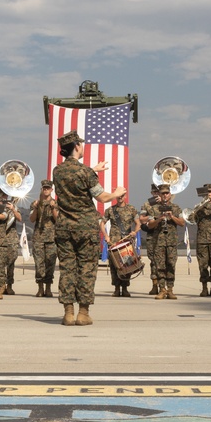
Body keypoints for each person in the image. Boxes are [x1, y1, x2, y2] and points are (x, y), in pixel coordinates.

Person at [53, 130, 127, 325]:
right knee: (86, 269)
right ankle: (83, 313)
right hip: (85, 228)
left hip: (64, 228)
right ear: (77, 146)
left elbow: (76, 177)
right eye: (81, 144)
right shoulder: (85, 172)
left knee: (67, 269)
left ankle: (68, 313)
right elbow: (102, 197)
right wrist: (117, 193)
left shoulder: (57, 171)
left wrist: (94, 170)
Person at [143, 184, 185, 299]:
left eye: (167, 193)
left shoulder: (176, 208)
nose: (165, 195)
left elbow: (182, 223)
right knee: (159, 265)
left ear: (170, 195)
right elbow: (150, 225)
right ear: (160, 195)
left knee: (171, 265)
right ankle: (162, 289)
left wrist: (172, 217)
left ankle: (170, 289)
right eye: (163, 193)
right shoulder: (154, 208)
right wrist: (159, 218)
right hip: (159, 242)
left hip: (171, 242)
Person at [102, 193, 140, 297]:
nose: (120, 198)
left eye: (122, 196)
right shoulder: (110, 210)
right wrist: (106, 236)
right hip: (114, 242)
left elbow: (138, 223)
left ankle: (125, 288)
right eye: (118, 196)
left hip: (126, 241)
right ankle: (116, 288)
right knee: (114, 266)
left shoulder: (131, 209)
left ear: (125, 197)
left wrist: (135, 232)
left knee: (127, 264)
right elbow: (101, 223)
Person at [29, 179, 58, 297]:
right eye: (44, 188)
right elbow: (31, 219)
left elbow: (58, 220)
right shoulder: (36, 203)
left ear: (51, 190)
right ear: (42, 189)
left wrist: (53, 208)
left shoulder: (56, 203)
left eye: (48, 188)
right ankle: (40, 287)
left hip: (51, 238)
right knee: (39, 263)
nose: (46, 190)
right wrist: (36, 208)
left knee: (50, 263)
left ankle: (48, 288)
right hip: (38, 237)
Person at [139, 184, 161, 295]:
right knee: (153, 261)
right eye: (154, 192)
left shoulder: (166, 204)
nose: (156, 194)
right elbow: (142, 218)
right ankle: (154, 285)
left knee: (165, 262)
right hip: (152, 236)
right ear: (151, 193)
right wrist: (152, 217)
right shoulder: (147, 205)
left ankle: (165, 287)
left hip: (164, 236)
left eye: (158, 191)